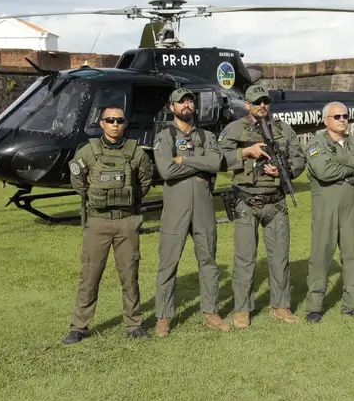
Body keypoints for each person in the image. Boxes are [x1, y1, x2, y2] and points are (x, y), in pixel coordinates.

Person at [62, 105, 154, 344]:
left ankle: (134, 324)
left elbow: (145, 181)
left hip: (126, 222)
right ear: (102, 123)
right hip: (98, 222)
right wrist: (95, 198)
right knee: (89, 275)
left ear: (125, 123)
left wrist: (127, 201)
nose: (115, 124)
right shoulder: (88, 151)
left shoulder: (136, 153)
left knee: (129, 275)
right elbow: (77, 180)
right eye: (110, 120)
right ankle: (78, 327)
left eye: (119, 120)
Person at [217, 85, 306, 328]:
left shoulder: (283, 129)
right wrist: (246, 152)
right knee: (245, 257)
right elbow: (218, 158)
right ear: (247, 104)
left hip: (276, 202)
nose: (262, 106)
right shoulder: (234, 129)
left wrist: (284, 170)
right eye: (257, 102)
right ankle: (242, 308)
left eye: (265, 101)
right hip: (246, 201)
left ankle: (281, 306)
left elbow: (299, 158)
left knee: (280, 256)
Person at [152, 88, 231, 337]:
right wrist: (200, 164)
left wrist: (185, 160)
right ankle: (163, 317)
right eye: (181, 102)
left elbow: (215, 163)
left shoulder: (207, 136)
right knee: (168, 263)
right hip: (176, 210)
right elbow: (166, 171)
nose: (186, 105)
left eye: (189, 101)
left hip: (204, 209)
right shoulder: (164, 137)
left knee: (208, 261)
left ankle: (210, 312)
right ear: (172, 107)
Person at [304, 102, 354, 322]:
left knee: (353, 253)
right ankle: (314, 306)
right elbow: (324, 171)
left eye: (345, 116)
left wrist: (340, 160)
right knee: (321, 255)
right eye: (337, 116)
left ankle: (352, 305)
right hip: (325, 205)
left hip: (350, 206)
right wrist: (353, 169)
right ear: (326, 120)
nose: (343, 119)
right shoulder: (316, 143)